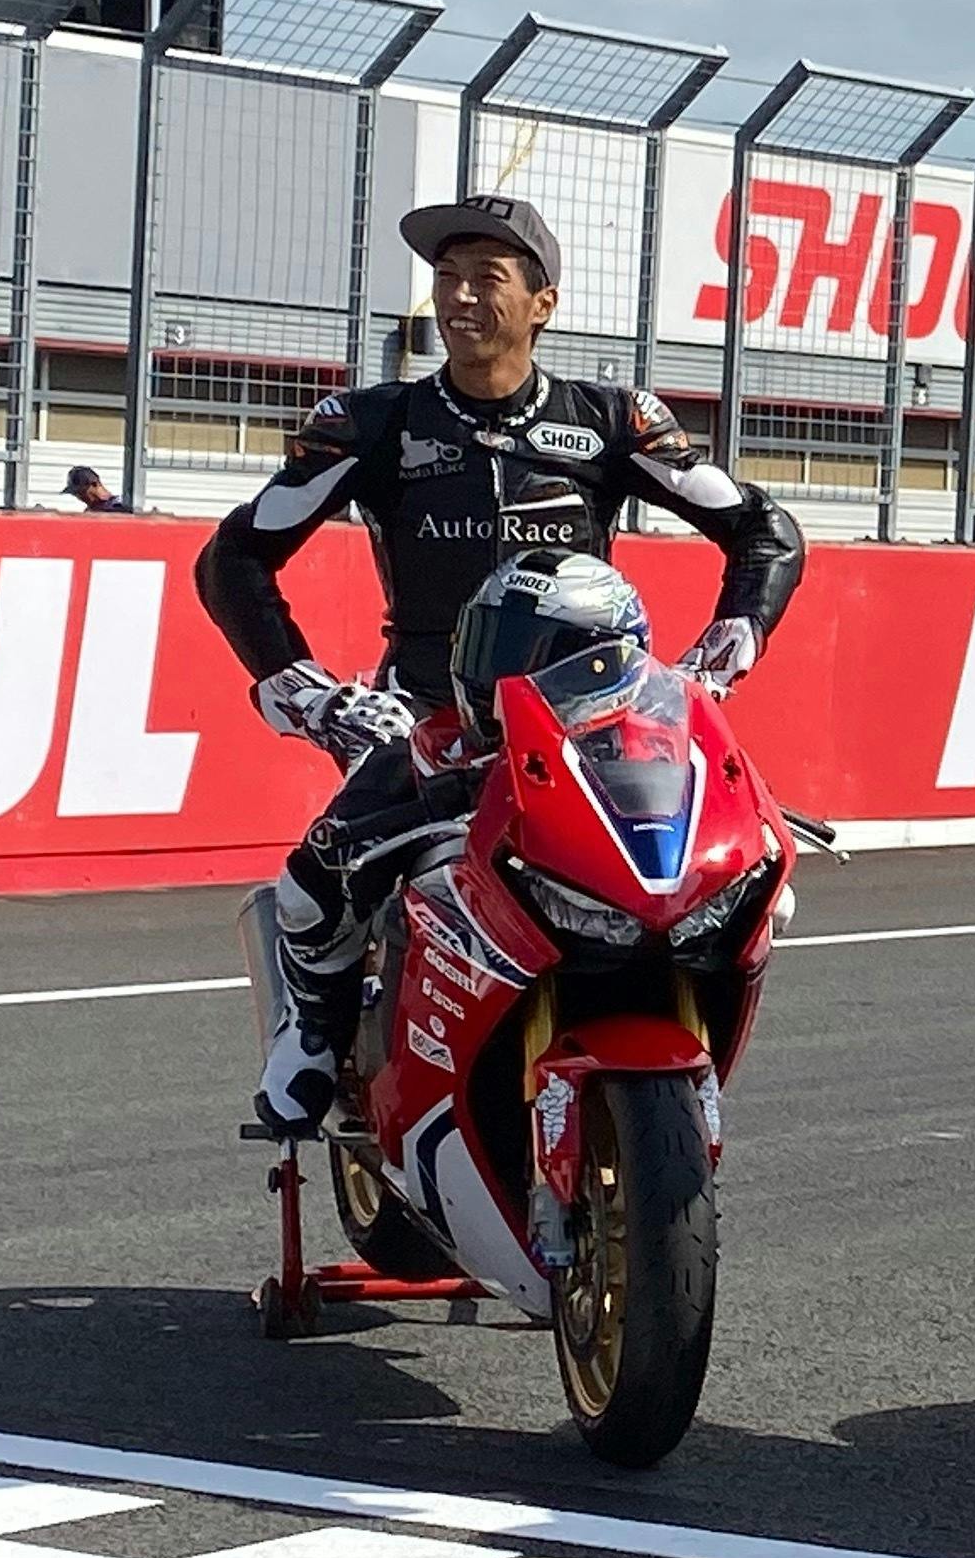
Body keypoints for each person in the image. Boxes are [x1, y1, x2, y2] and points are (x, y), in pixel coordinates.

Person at [197, 187, 804, 1135]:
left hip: (591, 726)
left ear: (542, 303)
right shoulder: (374, 423)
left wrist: (716, 660)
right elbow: (233, 559)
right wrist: (311, 696)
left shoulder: (611, 422)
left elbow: (766, 533)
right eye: (447, 277)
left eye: (488, 277)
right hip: (424, 715)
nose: (460, 297)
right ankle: (313, 1030)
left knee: (721, 878)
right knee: (319, 880)